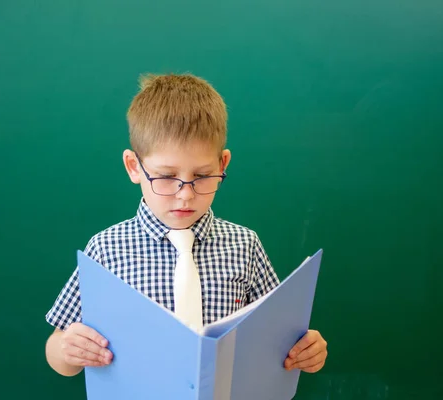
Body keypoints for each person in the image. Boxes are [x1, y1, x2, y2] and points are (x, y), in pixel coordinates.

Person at [44, 73, 328, 378]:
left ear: (222, 165)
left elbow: (280, 339)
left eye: (202, 176)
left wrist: (307, 350)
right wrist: (66, 350)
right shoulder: (105, 249)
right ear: (133, 167)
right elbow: (59, 350)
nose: (185, 194)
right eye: (166, 177)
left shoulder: (245, 245)